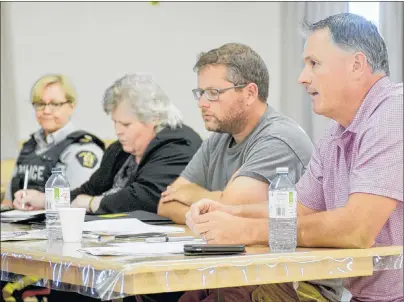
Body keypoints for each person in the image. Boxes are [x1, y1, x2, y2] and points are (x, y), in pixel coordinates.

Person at [186, 14, 403, 302]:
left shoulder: (394, 114)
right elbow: (300, 210)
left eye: (314, 63)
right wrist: (226, 213)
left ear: (356, 65)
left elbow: (357, 229)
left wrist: (245, 229)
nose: (303, 76)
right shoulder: (337, 131)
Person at [158, 43, 314, 226]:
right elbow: (165, 205)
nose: (202, 103)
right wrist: (208, 207)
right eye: (200, 93)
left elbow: (232, 210)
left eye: (213, 93)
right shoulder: (219, 138)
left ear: (249, 93)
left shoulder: (279, 139)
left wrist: (192, 194)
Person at [14, 73, 202, 215]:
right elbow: (88, 190)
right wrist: (47, 200)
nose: (118, 131)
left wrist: (92, 203)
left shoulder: (178, 145)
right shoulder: (120, 149)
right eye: (115, 122)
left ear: (154, 119)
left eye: (126, 124)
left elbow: (145, 196)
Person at [4, 74, 104, 210]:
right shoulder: (29, 147)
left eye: (54, 104)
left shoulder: (82, 150)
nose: (46, 111)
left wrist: (42, 202)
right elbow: (8, 202)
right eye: (40, 104)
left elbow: (78, 203)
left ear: (71, 106)